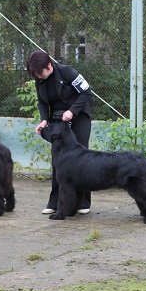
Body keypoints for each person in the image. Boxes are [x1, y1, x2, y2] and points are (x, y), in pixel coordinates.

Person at [26, 50, 93, 215]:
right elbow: (42, 102)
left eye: (40, 73)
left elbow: (86, 92)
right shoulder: (39, 80)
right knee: (58, 159)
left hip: (78, 117)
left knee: (80, 157)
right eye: (36, 75)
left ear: (49, 65)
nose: (39, 77)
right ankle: (55, 202)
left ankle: (83, 202)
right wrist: (44, 119)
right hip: (57, 120)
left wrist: (72, 111)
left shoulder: (67, 72)